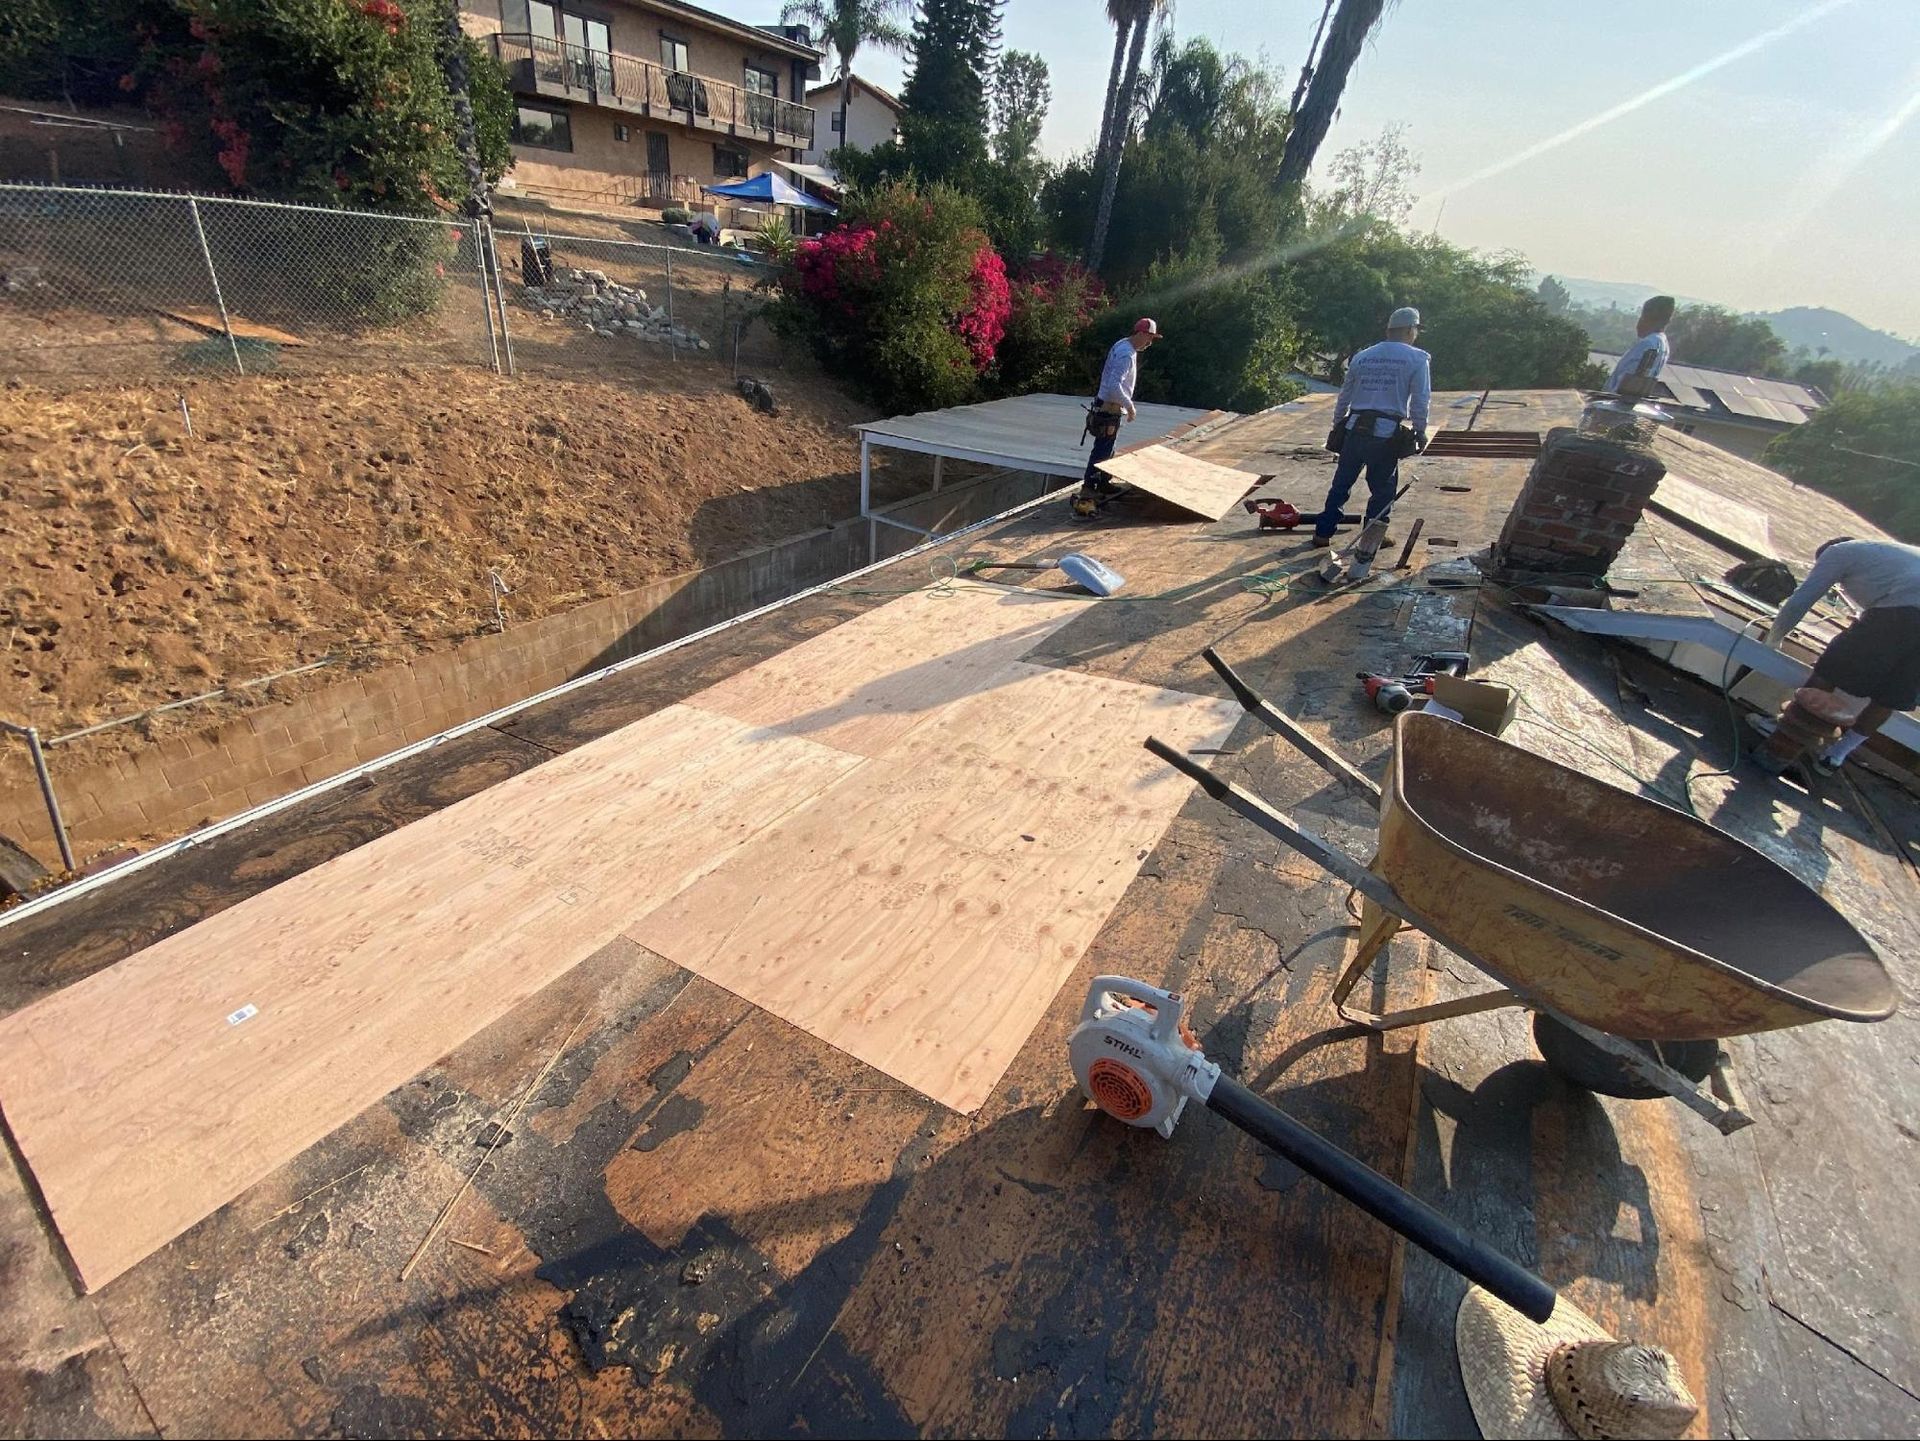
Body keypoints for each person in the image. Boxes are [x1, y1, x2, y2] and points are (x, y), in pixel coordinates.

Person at [1759, 536, 1920, 774]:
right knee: (1891, 696)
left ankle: (1784, 729)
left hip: (1906, 608)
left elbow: (1800, 601)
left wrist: (1773, 640)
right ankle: (1834, 756)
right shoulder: (1889, 557)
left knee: (1829, 669)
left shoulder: (1837, 552)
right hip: (1904, 603)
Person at [1312, 306, 1431, 547]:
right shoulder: (1417, 358)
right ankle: (1372, 539)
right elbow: (1421, 399)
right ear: (1410, 330)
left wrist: (1338, 426)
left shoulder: (1364, 356)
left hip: (1354, 429)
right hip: (1385, 434)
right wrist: (1420, 429)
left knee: (1341, 484)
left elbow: (1344, 395)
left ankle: (1322, 534)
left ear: (1389, 330)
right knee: (1383, 489)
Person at [1081, 318, 1162, 496]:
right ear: (1141, 334)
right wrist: (1130, 406)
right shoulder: (1126, 354)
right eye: (1149, 338)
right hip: (1109, 408)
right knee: (1102, 449)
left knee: (1108, 447)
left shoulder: (1123, 345)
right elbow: (1113, 385)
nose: (1149, 343)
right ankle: (1090, 487)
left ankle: (1102, 482)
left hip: (1107, 407)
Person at [1606, 295, 1676, 395]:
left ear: (1648, 318)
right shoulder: (1663, 344)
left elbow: (1629, 380)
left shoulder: (1647, 345)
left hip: (1616, 400)